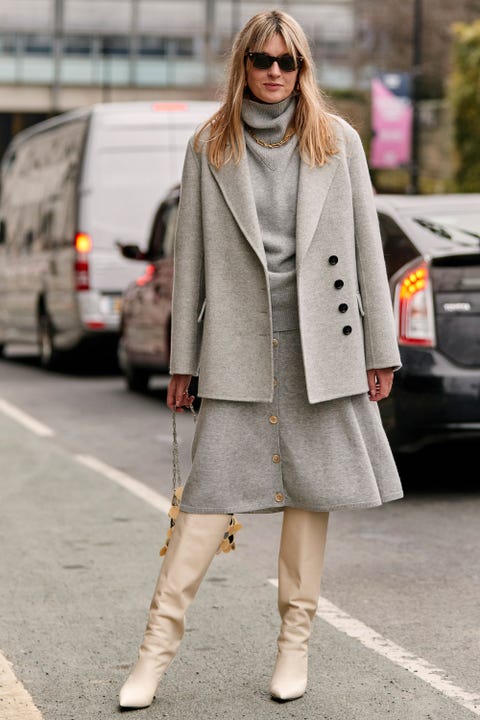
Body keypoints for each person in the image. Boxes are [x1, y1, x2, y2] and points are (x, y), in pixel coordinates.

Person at [119, 9, 403, 709]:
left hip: (322, 346)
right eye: (262, 60)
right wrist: (181, 363)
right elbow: (190, 266)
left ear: (303, 70)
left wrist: (380, 349)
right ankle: (153, 656)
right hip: (240, 345)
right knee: (205, 504)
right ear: (242, 65)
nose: (275, 72)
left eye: (289, 62)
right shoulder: (209, 145)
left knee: (310, 500)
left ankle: (294, 647)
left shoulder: (338, 142)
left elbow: (368, 250)